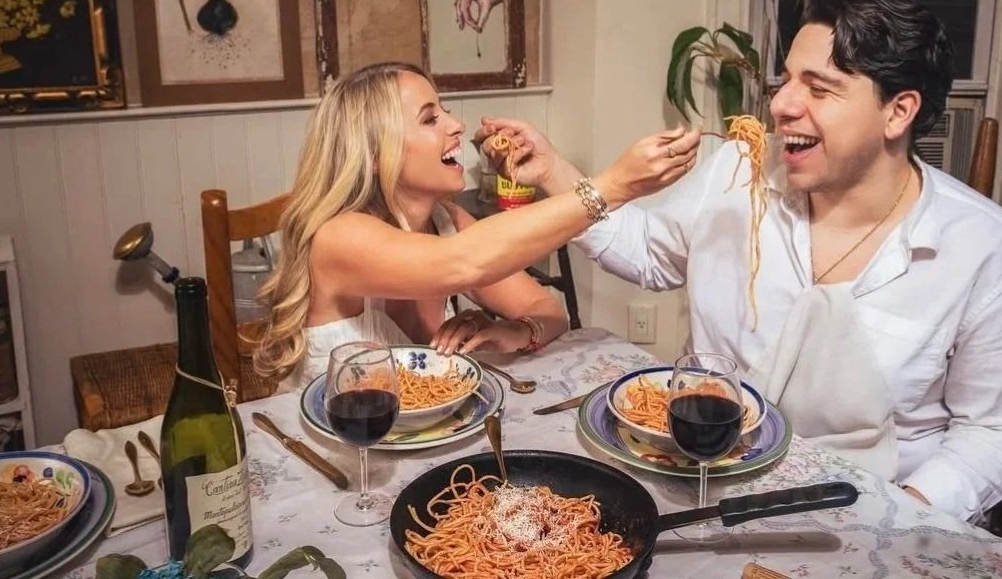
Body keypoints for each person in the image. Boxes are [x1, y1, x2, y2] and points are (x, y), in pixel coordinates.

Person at [477, 0, 1002, 523]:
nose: (781, 105)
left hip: (867, 503)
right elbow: (649, 255)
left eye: (820, 87)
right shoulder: (737, 173)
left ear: (898, 112)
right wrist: (554, 170)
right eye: (786, 80)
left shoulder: (987, 250)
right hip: (705, 476)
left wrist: (904, 512)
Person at [256, 62, 700, 393]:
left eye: (445, 111)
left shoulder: (447, 221)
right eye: (430, 119)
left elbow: (548, 311)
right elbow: (463, 263)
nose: (457, 125)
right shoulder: (341, 236)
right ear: (374, 152)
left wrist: (515, 331)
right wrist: (614, 185)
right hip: (335, 459)